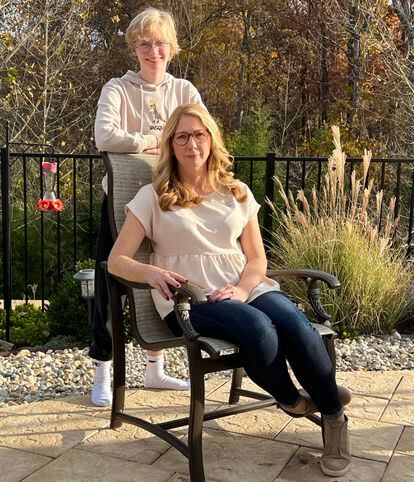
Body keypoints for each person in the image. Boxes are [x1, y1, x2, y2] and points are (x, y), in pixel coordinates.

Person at [107, 103, 352, 477]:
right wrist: (150, 271)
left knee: (297, 325)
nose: (192, 144)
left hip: (243, 286)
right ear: (171, 145)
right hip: (189, 299)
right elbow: (117, 260)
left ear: (212, 139)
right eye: (182, 136)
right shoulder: (153, 196)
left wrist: (241, 288)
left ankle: (333, 415)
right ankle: (294, 402)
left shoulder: (236, 192)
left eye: (199, 134)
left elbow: (256, 260)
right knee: (257, 329)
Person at [91, 7, 205, 406]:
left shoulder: (185, 91)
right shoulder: (118, 89)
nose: (152, 50)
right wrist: (148, 142)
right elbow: (104, 135)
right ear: (134, 47)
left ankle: (155, 370)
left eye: (160, 43)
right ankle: (104, 370)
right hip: (123, 205)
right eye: (144, 43)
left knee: (165, 279)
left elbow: (202, 135)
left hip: (172, 203)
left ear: (171, 48)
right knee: (110, 285)